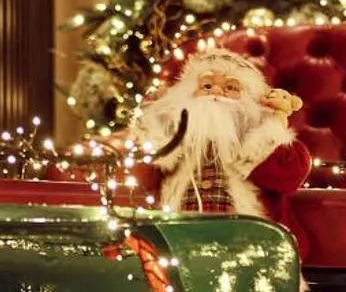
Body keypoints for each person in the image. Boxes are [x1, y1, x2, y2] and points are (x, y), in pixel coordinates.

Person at [132, 46, 312, 230]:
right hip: (183, 237)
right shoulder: (176, 136)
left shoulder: (257, 132)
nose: (217, 92)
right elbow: (143, 179)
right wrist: (153, 123)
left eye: (231, 87)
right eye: (207, 86)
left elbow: (290, 177)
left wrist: (272, 132)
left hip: (248, 242)